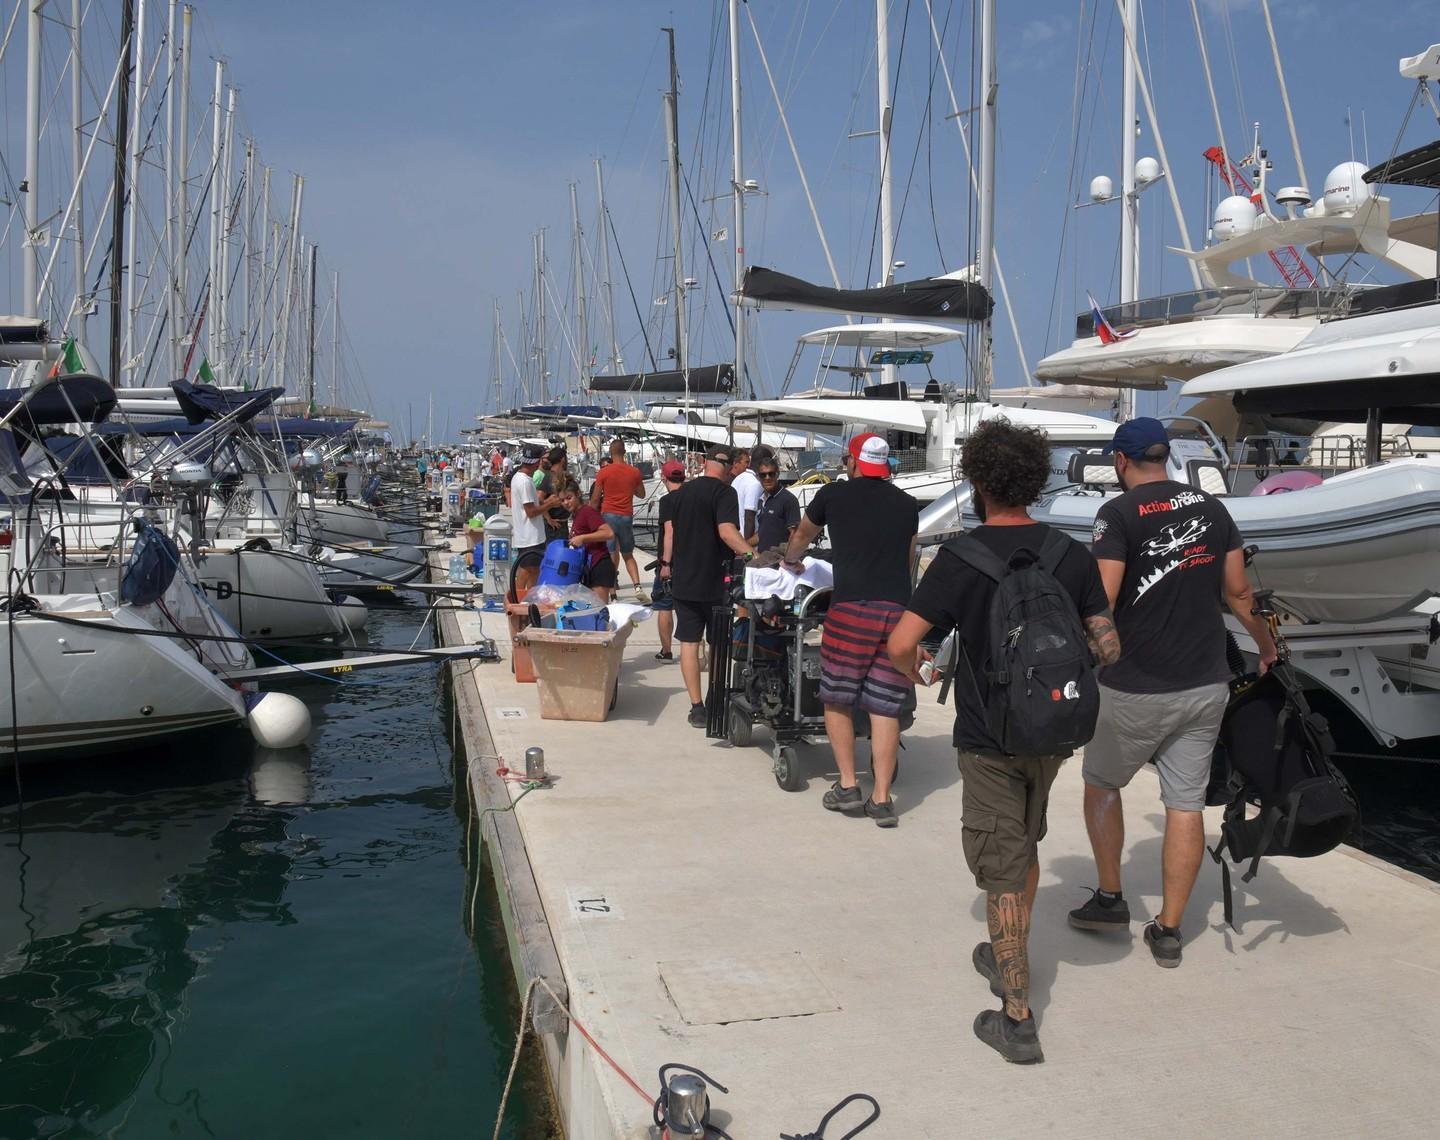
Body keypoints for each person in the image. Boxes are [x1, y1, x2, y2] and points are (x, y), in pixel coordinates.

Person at [887, 419, 1120, 1064]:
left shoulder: (960, 558)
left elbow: (903, 644)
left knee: (1000, 867)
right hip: (1054, 731)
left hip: (989, 736)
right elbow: (1108, 644)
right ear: (1036, 479)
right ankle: (1007, 951)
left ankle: (1016, 1016)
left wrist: (926, 671)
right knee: (1025, 843)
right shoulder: (1070, 553)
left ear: (977, 480)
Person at [1069, 417, 1279, 968]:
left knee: (1102, 783)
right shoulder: (1212, 508)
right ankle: (1168, 929)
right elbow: (1238, 592)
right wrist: (1266, 645)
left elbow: (1104, 600)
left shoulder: (1115, 514)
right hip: (1205, 683)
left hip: (1133, 687)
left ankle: (1112, 898)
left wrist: (1077, 662)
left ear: (1120, 461)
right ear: (1166, 457)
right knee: (1185, 803)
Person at [782, 433, 918, 828]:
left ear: (853, 462)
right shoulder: (907, 504)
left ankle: (847, 786)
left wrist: (791, 561)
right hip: (895, 612)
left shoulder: (832, 496)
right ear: (885, 466)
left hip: (851, 608)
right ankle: (881, 798)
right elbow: (908, 556)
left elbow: (802, 537)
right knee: (885, 704)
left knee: (838, 697)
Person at [661, 444, 754, 727]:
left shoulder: (681, 493)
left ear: (704, 463)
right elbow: (727, 531)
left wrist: (666, 564)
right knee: (718, 644)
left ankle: (697, 707)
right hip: (715, 580)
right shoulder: (726, 493)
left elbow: (671, 533)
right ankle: (716, 697)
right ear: (727, 469)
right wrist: (751, 555)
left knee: (689, 643)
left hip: (684, 578)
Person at [591, 439, 647, 599]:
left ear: (611, 452)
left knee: (610, 553)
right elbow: (642, 494)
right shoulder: (634, 472)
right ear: (624, 452)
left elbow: (595, 499)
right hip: (626, 516)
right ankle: (637, 587)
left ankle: (613, 593)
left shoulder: (603, 472)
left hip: (608, 515)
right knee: (628, 554)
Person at [651, 459, 687, 661]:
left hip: (671, 561)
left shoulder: (667, 501)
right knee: (687, 607)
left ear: (664, 477)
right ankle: (692, 649)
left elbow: (669, 532)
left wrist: (665, 563)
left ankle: (666, 650)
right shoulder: (692, 498)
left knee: (665, 606)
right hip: (690, 559)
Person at [509, 445, 556, 597]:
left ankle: (524, 600)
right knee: (529, 571)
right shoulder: (525, 482)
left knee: (530, 570)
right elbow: (530, 512)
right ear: (537, 462)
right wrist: (550, 504)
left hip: (527, 535)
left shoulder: (519, 477)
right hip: (530, 537)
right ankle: (522, 601)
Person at [560, 484, 617, 603]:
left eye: (569, 498)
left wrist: (583, 538)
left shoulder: (587, 511)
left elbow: (609, 533)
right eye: (562, 500)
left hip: (600, 565)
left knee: (600, 610)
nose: (566, 502)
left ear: (578, 494)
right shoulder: (576, 515)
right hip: (589, 567)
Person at [750, 459, 799, 554]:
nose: (767, 478)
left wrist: (789, 561)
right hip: (763, 560)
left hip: (779, 562)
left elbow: (795, 534)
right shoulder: (761, 500)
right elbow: (762, 533)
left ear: (777, 474)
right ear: (758, 477)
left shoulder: (788, 500)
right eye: (763, 475)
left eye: (771, 474)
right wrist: (742, 545)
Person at [538, 446, 571, 542]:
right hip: (554, 526)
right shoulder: (550, 476)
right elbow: (539, 498)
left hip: (562, 523)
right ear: (563, 460)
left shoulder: (562, 475)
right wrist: (548, 518)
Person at [730, 448, 763, 542]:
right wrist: (747, 547)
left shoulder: (738, 478)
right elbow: (749, 516)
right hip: (748, 541)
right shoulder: (754, 484)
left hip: (735, 537)